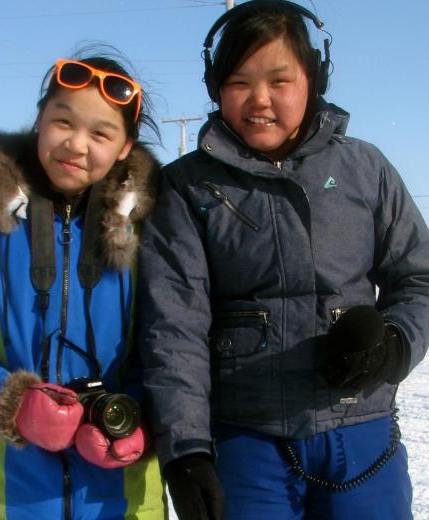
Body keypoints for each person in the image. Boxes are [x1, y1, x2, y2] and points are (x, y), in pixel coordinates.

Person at [138, 1, 429, 519]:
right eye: (238, 81)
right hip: (248, 442)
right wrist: (186, 451)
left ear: (313, 80)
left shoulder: (366, 169)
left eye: (280, 80)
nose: (259, 100)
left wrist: (395, 343)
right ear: (214, 86)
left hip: (361, 432)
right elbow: (174, 326)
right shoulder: (186, 188)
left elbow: (419, 278)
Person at [0, 51, 167, 519]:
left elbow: (175, 344)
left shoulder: (156, 227)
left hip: (124, 502)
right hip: (7, 503)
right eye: (63, 121)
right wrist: (13, 405)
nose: (76, 144)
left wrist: (138, 415)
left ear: (126, 147)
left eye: (101, 133)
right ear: (39, 120)